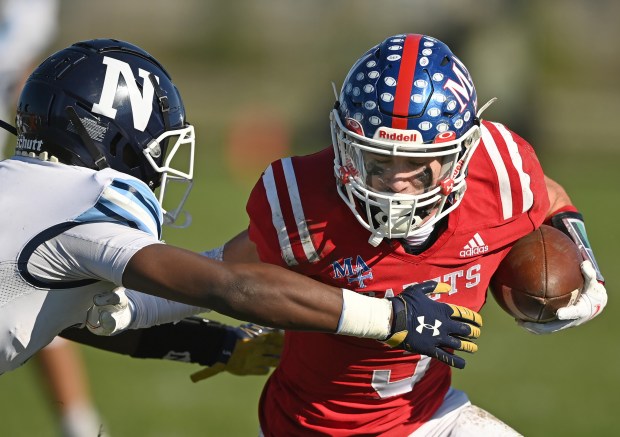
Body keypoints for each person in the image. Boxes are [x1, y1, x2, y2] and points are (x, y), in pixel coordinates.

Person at [92, 33, 606, 435]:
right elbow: (224, 274)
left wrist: (584, 261)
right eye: (379, 161)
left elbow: (550, 196)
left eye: (419, 165)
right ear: (345, 144)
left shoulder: (501, 170)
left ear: (461, 158)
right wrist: (129, 305)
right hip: (313, 429)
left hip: (433, 415)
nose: (397, 183)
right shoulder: (305, 203)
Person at [0, 38, 484, 378]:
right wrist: (391, 319)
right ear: (120, 141)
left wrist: (213, 344)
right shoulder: (84, 209)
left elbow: (70, 316)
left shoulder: (28, 193)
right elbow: (228, 286)